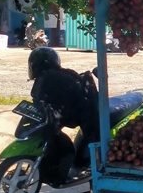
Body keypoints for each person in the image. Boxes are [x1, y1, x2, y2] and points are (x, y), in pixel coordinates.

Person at [28, 47, 99, 183]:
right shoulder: (48, 77)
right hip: (76, 112)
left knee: (86, 136)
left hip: (82, 112)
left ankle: (80, 166)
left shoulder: (50, 78)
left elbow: (65, 102)